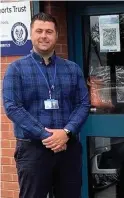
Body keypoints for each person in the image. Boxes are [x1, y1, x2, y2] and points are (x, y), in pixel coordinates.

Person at [2, 12, 90, 198]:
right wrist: (48, 136)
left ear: (56, 35)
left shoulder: (72, 69)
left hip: (68, 149)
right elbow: (12, 107)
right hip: (33, 150)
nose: (44, 36)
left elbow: (83, 104)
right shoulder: (16, 69)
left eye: (49, 31)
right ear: (31, 34)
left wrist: (66, 133)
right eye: (39, 31)